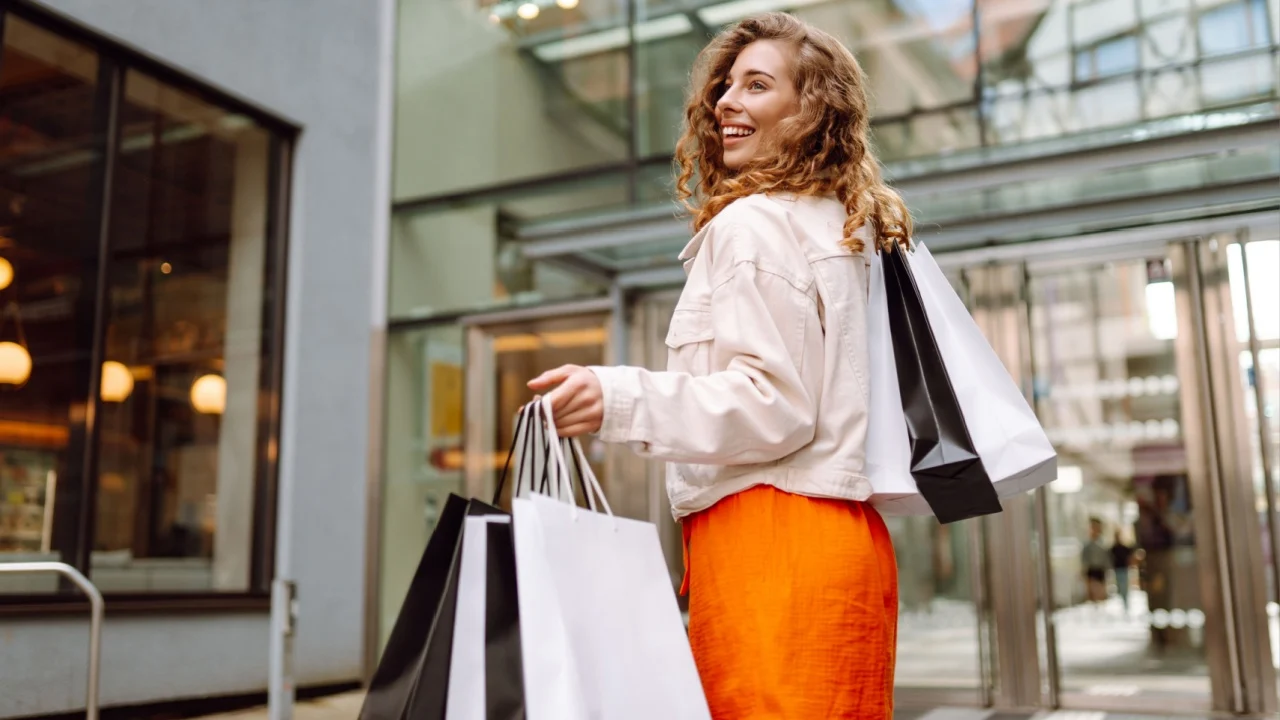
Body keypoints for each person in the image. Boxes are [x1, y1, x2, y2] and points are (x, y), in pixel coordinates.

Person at [528, 12, 909, 718]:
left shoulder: (754, 224)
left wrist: (615, 399)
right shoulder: (850, 231)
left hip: (771, 544)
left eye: (757, 85)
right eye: (726, 85)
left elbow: (773, 405)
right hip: (844, 544)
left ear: (810, 108)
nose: (725, 101)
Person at [1082, 517, 1110, 604]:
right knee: (1092, 591)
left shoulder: (1102, 543)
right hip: (1091, 569)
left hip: (1100, 569)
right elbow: (1085, 558)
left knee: (1100, 592)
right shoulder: (1087, 544)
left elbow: (1106, 558)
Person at [1110, 529, 1137, 613]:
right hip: (1117, 570)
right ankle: (1123, 602)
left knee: (1125, 586)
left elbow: (1131, 553)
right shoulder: (1113, 548)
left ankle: (1126, 603)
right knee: (1120, 587)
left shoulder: (1124, 548)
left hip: (1124, 569)